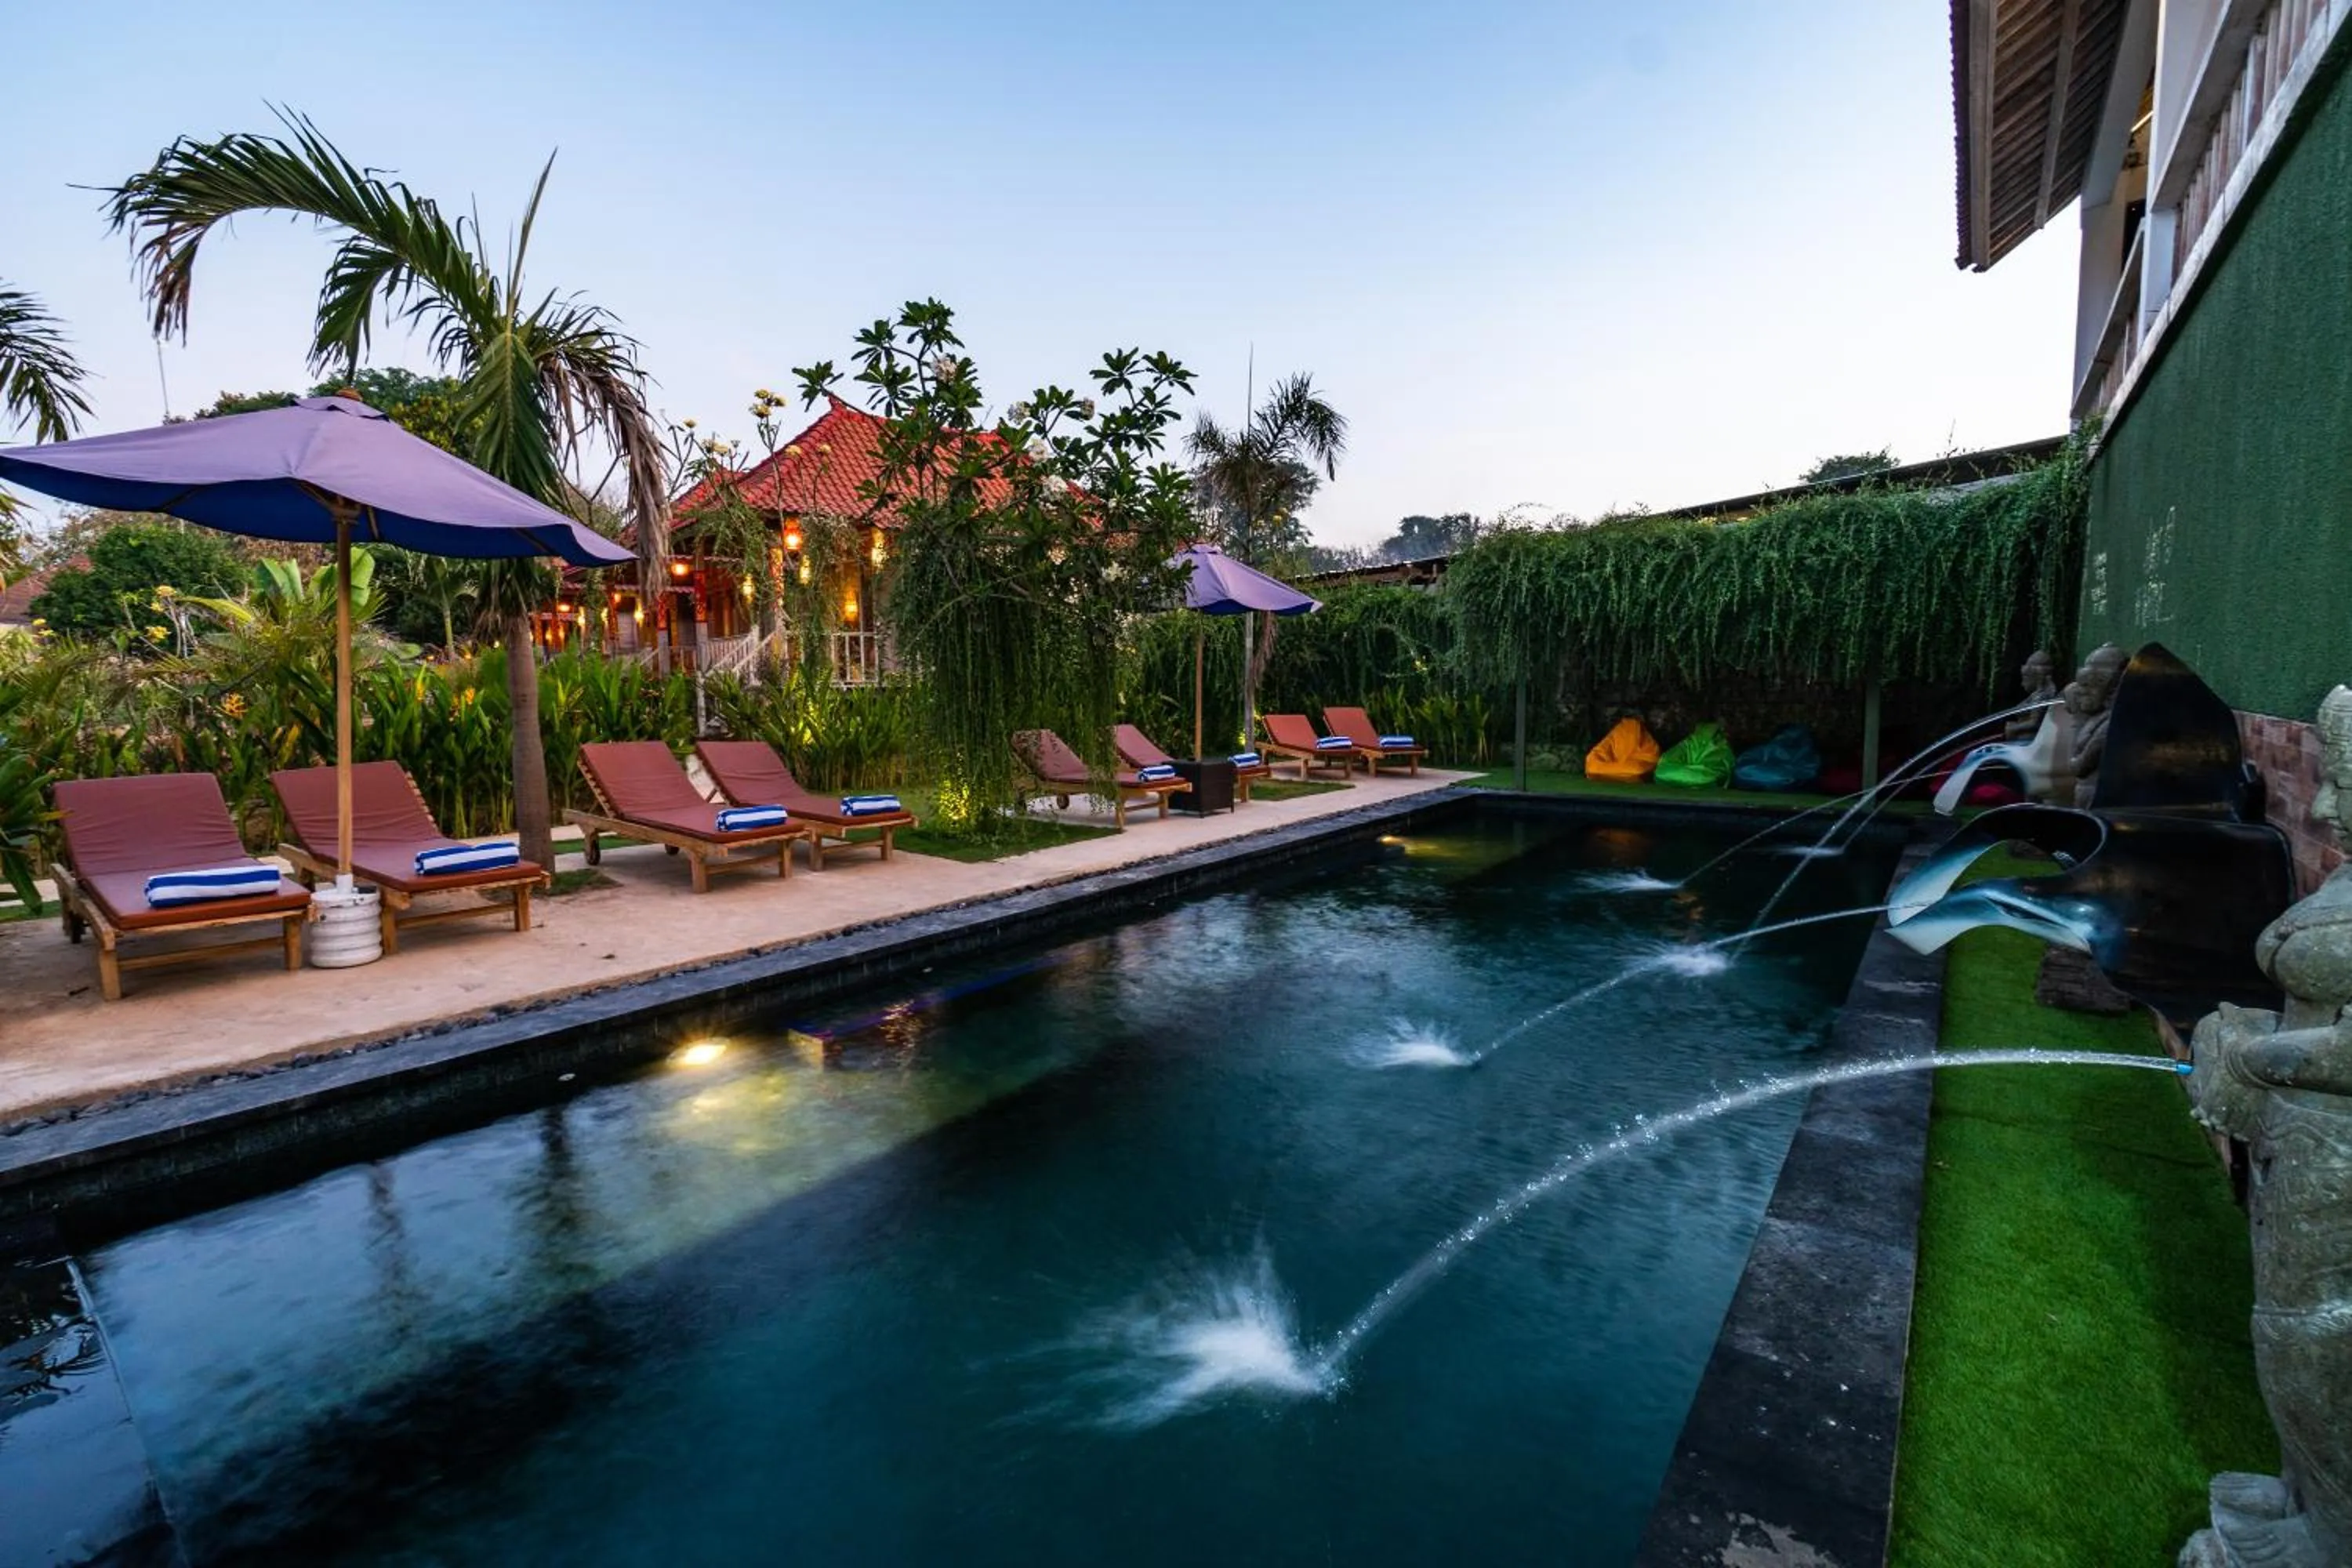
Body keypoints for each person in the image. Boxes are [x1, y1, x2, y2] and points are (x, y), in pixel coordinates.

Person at [2182, 684, 2352, 1567]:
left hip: (2334, 1152)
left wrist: (2251, 1056)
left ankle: (2331, 1534)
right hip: (2306, 1142)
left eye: (2344, 789)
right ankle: (2304, 1490)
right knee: (2294, 1323)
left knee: (2311, 1326)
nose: (2322, 805)